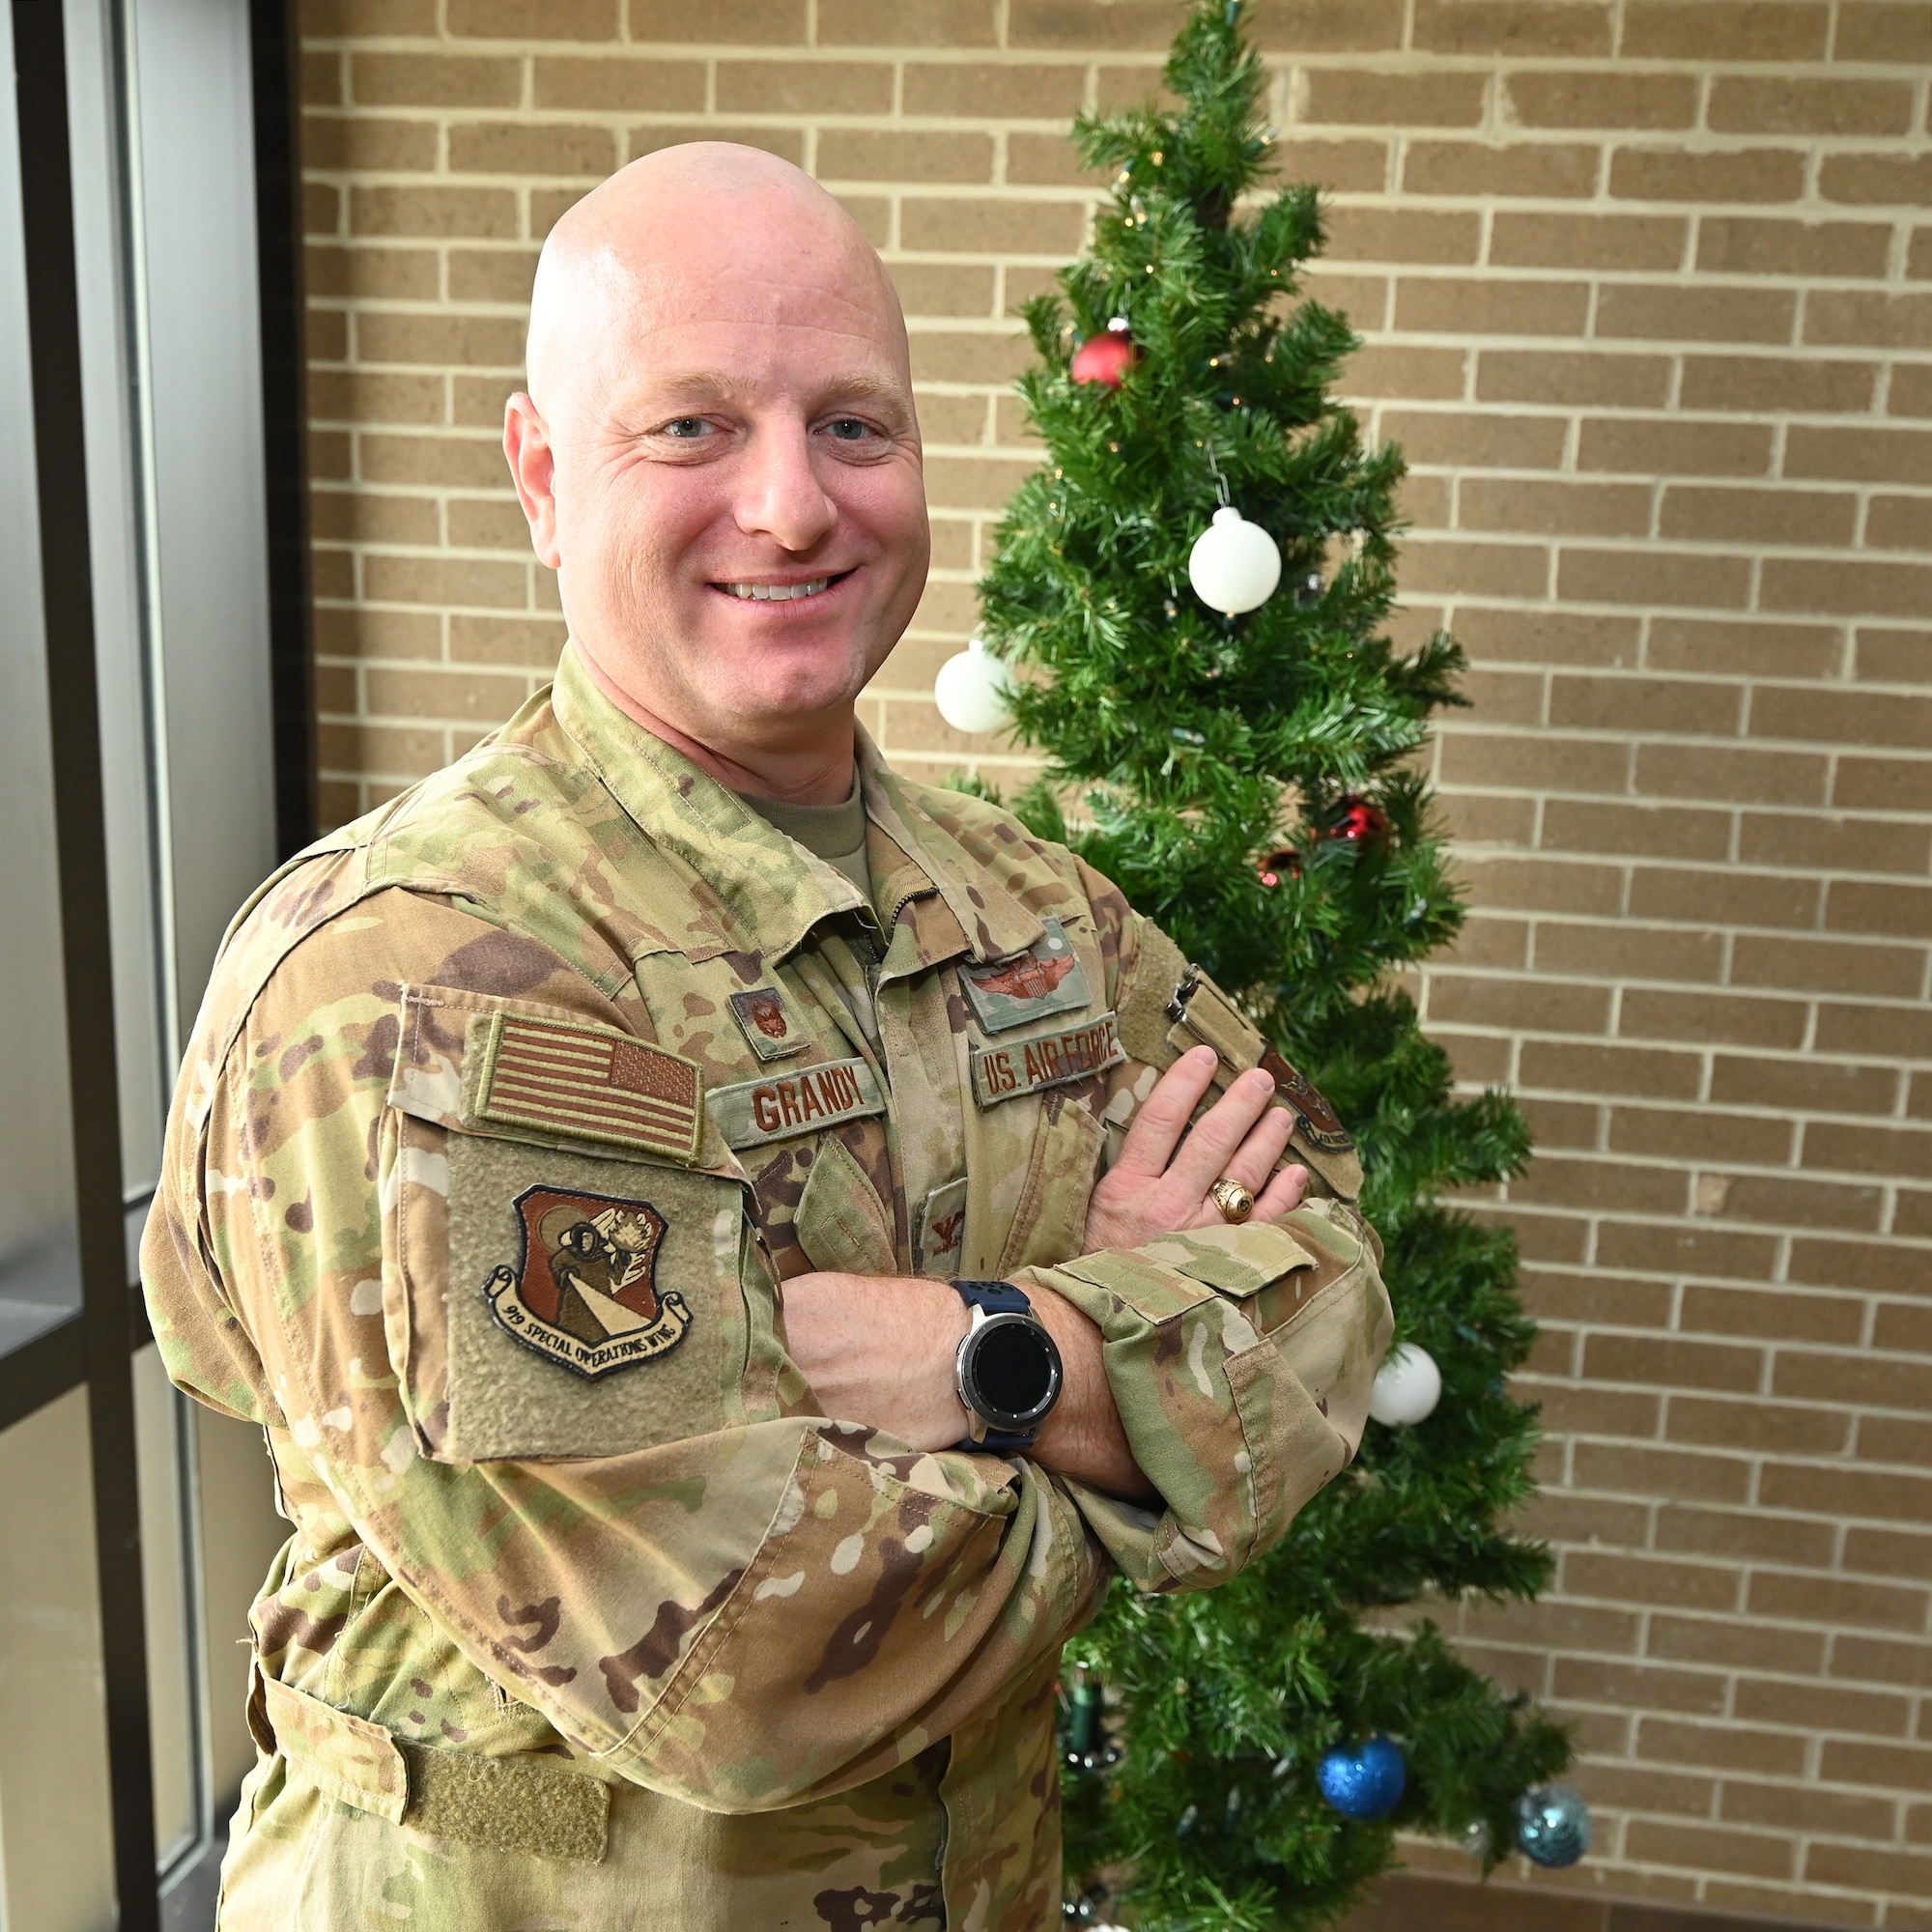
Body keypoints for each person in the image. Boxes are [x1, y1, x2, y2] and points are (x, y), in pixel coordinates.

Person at [142, 143, 1392, 1931]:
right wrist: (1145, 1413)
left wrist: (975, 1352)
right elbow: (743, 1659)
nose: (795, 508)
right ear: (542, 475)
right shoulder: (421, 981)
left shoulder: (1037, 911)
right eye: (692, 428)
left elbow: (1332, 1278)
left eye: (857, 427)